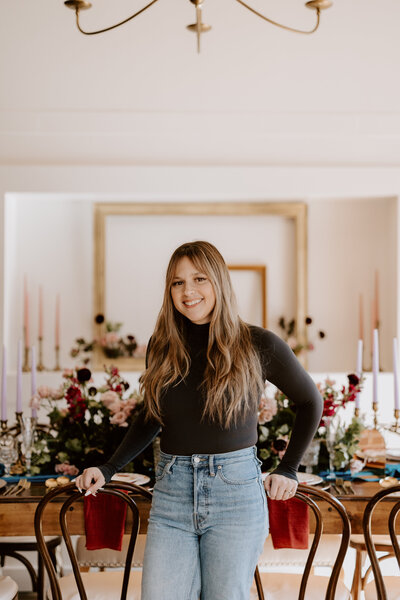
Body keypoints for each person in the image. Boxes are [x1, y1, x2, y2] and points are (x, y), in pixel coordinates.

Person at [75, 240, 322, 600]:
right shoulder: (161, 345)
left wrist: (288, 469)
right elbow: (152, 416)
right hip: (172, 492)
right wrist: (109, 467)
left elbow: (309, 401)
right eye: (177, 282)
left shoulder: (258, 343)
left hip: (235, 493)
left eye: (199, 279)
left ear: (219, 282)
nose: (188, 291)